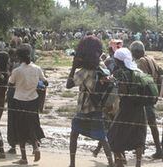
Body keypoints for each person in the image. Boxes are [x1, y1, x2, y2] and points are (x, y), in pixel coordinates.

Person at [66, 36, 114, 167]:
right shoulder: (102, 67)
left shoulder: (85, 72)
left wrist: (73, 67)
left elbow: (68, 85)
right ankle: (111, 162)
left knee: (74, 134)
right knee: (102, 137)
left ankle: (72, 163)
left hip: (85, 108)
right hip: (98, 107)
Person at [108, 48, 148, 167]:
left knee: (113, 134)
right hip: (140, 107)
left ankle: (120, 160)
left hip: (126, 107)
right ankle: (138, 164)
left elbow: (121, 91)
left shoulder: (120, 73)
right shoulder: (138, 71)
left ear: (118, 61)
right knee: (138, 135)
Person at [8, 44, 45, 165]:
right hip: (33, 100)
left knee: (20, 128)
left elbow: (10, 83)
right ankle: (36, 147)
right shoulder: (37, 68)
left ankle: (23, 157)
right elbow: (44, 81)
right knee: (32, 125)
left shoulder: (17, 70)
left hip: (19, 101)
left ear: (19, 57)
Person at [130, 41, 163, 159]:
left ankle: (151, 148)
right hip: (153, 94)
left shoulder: (140, 62)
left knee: (144, 122)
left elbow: (140, 80)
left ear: (136, 52)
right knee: (150, 123)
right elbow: (161, 72)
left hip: (145, 96)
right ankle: (148, 147)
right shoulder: (151, 59)